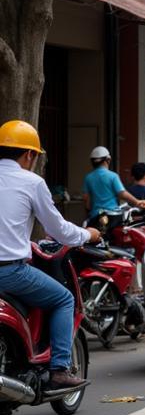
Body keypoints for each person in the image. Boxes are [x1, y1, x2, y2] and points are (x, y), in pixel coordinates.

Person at [0, 120, 101, 389]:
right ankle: (59, 370)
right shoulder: (32, 182)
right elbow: (59, 230)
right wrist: (89, 234)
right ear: (29, 154)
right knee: (64, 299)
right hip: (10, 272)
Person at [82, 146, 145, 223]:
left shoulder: (88, 177)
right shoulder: (112, 176)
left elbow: (86, 201)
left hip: (95, 217)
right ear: (107, 160)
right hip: (111, 217)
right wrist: (137, 202)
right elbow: (122, 193)